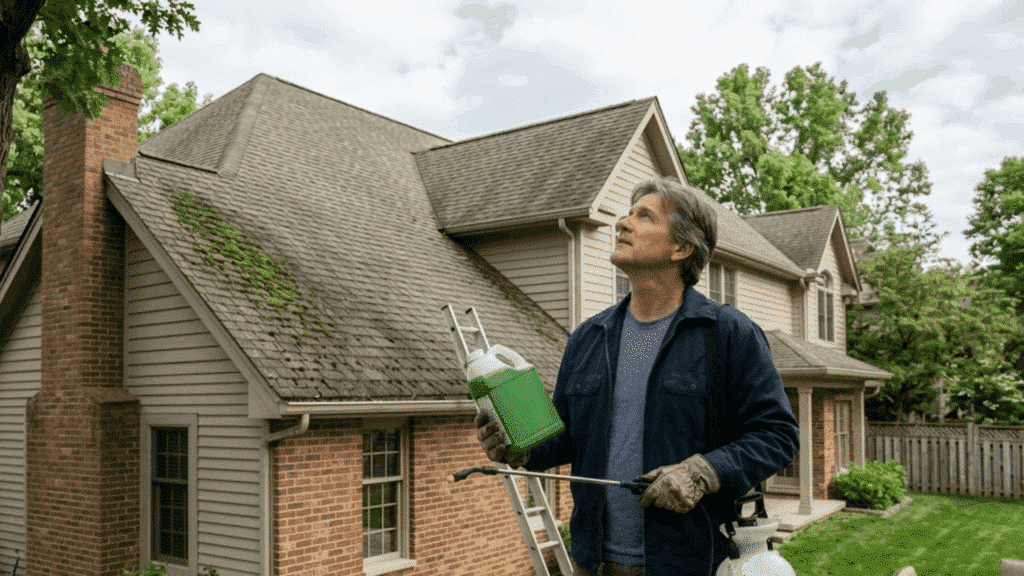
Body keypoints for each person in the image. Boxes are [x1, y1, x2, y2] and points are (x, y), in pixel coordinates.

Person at [476, 176, 799, 576]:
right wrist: (517, 445)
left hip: (690, 564)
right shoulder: (589, 338)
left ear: (681, 247)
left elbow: (778, 435)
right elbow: (562, 441)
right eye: (628, 213)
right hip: (593, 562)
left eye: (644, 216)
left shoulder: (727, 334)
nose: (622, 223)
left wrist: (702, 472)